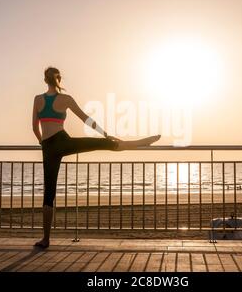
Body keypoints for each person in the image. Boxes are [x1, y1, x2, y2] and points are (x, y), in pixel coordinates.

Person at [32, 67, 160, 248]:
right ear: (59, 79)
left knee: (49, 192)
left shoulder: (37, 99)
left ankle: (45, 239)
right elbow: (85, 119)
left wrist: (42, 143)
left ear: (45, 80)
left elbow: (34, 128)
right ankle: (134, 143)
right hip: (63, 140)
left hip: (48, 147)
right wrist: (105, 133)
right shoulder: (66, 99)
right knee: (100, 143)